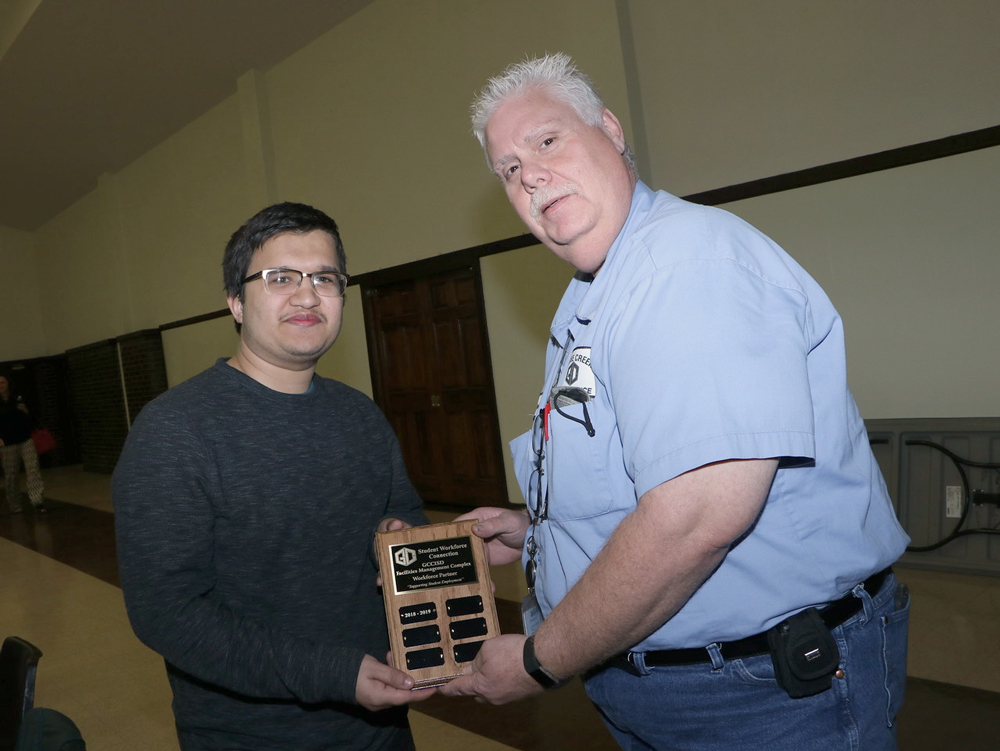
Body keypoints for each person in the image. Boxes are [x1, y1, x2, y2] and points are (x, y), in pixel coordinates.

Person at [440, 53, 911, 751]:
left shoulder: (686, 266)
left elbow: (693, 515)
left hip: (762, 697)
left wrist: (539, 661)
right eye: (508, 169)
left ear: (609, 128)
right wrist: (534, 527)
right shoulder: (593, 298)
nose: (529, 175)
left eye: (546, 141)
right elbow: (630, 471)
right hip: (673, 687)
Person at [113, 202, 434, 751]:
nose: (307, 295)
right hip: (251, 735)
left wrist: (398, 533)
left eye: (325, 278)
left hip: (379, 725)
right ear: (236, 302)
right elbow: (166, 613)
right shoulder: (174, 431)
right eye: (280, 278)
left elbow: (406, 517)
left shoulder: (361, 415)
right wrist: (330, 673)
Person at [0, 373, 45, 514]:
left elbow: (33, 416)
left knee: (33, 470)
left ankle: (37, 501)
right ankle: (15, 504)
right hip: (7, 443)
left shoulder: (18, 398)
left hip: (25, 439)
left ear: (8, 383)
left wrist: (25, 410)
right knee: (11, 474)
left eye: (2, 382)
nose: (0, 386)